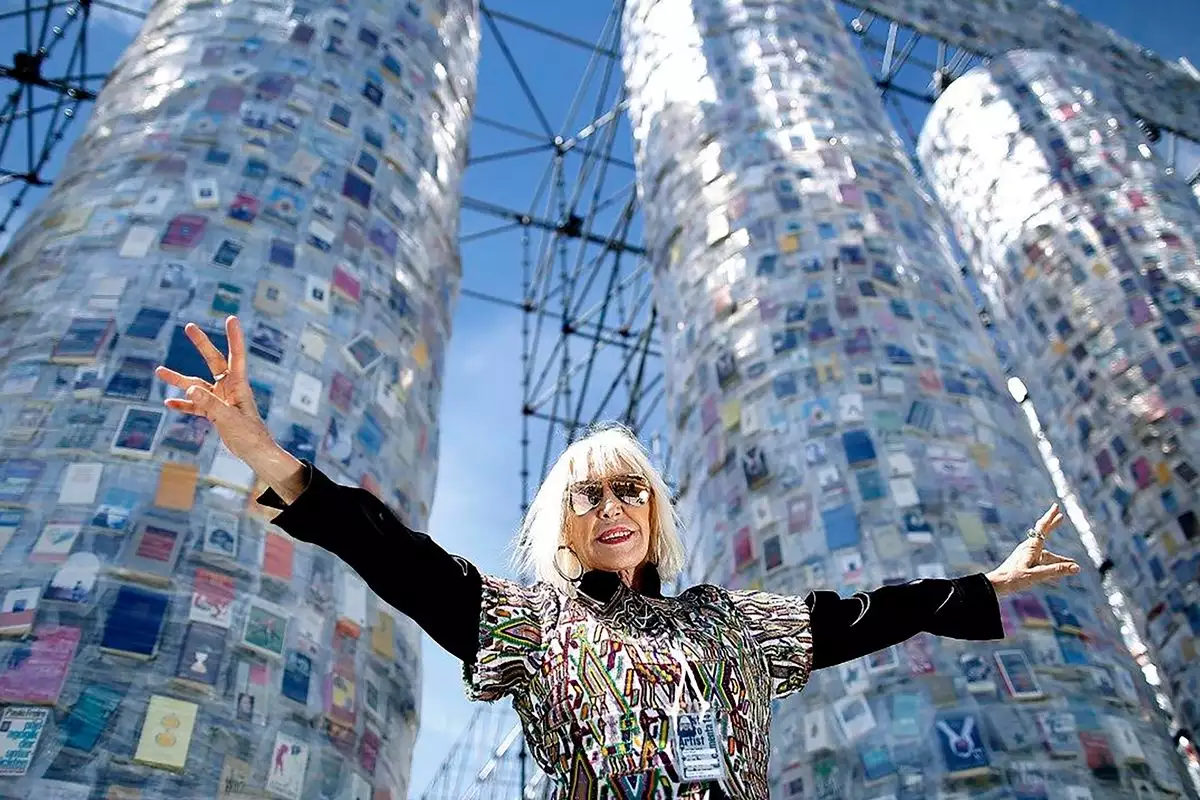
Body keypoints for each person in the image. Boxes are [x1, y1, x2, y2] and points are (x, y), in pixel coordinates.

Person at [156, 317, 1081, 799]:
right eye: (587, 493)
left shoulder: (733, 623)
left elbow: (864, 614)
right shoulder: (532, 623)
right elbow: (394, 556)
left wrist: (985, 584)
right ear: (561, 524)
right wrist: (267, 456)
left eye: (629, 488)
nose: (611, 506)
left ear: (654, 511)